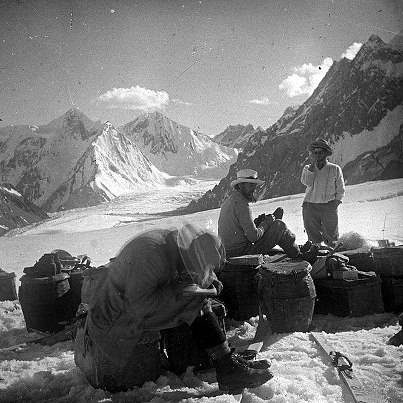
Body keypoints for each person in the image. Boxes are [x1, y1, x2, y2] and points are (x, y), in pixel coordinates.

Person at [74, 223, 273, 393]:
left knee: (196, 296)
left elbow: (186, 266)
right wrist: (183, 291)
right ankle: (227, 367)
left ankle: (227, 361)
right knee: (194, 301)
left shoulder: (176, 245)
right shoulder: (150, 255)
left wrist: (208, 277)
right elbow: (139, 305)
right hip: (115, 323)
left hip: (123, 310)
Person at [218, 168, 316, 259]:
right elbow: (253, 237)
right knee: (279, 226)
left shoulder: (230, 200)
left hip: (229, 250)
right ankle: (298, 255)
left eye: (254, 185)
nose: (254, 188)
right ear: (241, 185)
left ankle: (295, 247)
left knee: (273, 225)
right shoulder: (242, 206)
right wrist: (266, 224)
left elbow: (241, 229)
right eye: (250, 185)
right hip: (242, 252)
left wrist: (258, 223)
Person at [301, 139, 345, 248]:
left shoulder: (334, 168)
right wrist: (311, 170)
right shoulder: (307, 168)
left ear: (325, 153)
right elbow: (307, 182)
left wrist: (336, 202)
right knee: (313, 237)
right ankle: (316, 258)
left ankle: (333, 259)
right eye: (315, 153)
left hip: (328, 206)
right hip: (310, 206)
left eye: (320, 152)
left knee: (331, 237)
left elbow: (340, 187)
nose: (317, 155)